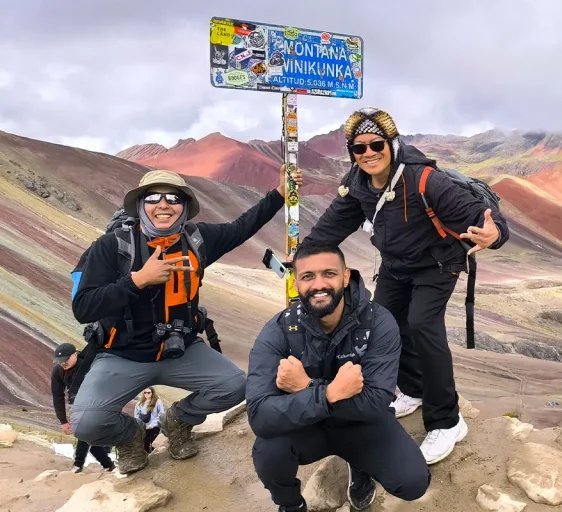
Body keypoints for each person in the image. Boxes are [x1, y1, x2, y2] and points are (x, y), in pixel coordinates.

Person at [301, 107, 510, 464]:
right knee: (384, 323)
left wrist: (495, 234)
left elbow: (485, 221)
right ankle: (412, 389)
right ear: (351, 151)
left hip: (438, 265)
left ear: (393, 143)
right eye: (359, 148)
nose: (369, 153)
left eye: (376, 144)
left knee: (422, 325)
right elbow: (332, 226)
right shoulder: (358, 184)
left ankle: (447, 420)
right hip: (396, 265)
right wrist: (304, 258)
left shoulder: (427, 181)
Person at [69, 166, 302, 475]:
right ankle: (130, 437)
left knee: (235, 387)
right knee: (86, 423)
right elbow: (83, 307)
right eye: (153, 197)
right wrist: (137, 281)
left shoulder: (197, 239)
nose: (163, 204)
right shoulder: (112, 247)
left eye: (173, 198)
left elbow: (241, 227)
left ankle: (178, 420)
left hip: (181, 349)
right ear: (141, 205)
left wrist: (278, 195)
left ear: (183, 207)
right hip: (122, 355)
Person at [246, 240, 430, 512]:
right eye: (308, 276)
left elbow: (375, 402)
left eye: (329, 274)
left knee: (413, 482)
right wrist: (329, 393)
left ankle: (360, 464)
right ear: (296, 283)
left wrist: (306, 385)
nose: (319, 284)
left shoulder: (378, 322)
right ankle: (291, 504)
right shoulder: (279, 330)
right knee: (268, 452)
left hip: (360, 422)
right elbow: (260, 417)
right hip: (305, 425)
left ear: (345, 277)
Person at [50, 342, 116, 473]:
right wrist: (63, 421)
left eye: (65, 360)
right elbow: (57, 396)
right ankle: (107, 464)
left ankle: (78, 464)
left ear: (75, 354)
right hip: (78, 403)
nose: (62, 363)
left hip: (99, 401)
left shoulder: (90, 365)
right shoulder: (58, 371)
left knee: (84, 431)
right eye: (59, 361)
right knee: (87, 435)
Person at [133, 387, 165, 453]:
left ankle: (155, 457)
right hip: (144, 427)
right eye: (145, 392)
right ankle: (146, 457)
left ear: (152, 393)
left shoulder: (158, 402)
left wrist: (152, 425)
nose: (147, 394)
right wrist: (140, 425)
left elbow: (161, 414)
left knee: (154, 442)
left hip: (154, 426)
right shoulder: (140, 403)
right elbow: (136, 415)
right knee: (145, 443)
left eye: (148, 392)